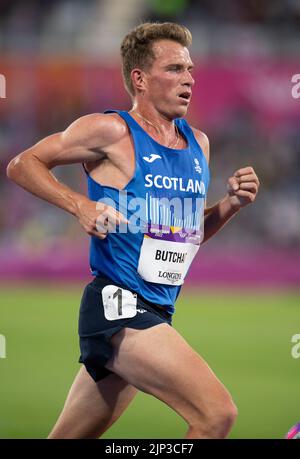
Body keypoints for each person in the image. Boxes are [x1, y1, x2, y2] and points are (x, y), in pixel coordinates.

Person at [7, 22, 259, 439]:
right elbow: (22, 164)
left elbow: (185, 236)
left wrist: (231, 205)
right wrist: (80, 205)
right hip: (119, 307)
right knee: (217, 415)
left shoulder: (199, 144)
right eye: (175, 69)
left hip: (158, 310)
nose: (190, 79)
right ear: (140, 79)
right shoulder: (111, 131)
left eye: (191, 69)